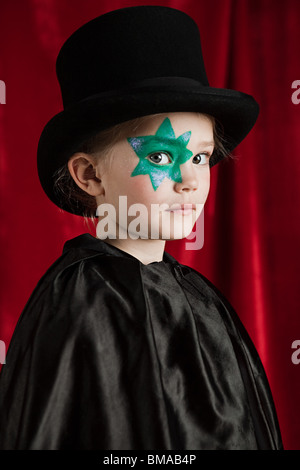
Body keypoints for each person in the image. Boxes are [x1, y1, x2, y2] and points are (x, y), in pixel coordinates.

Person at [0, 6, 283, 450]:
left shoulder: (203, 300)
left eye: (199, 157)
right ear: (89, 176)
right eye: (159, 156)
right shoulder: (78, 305)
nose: (190, 180)